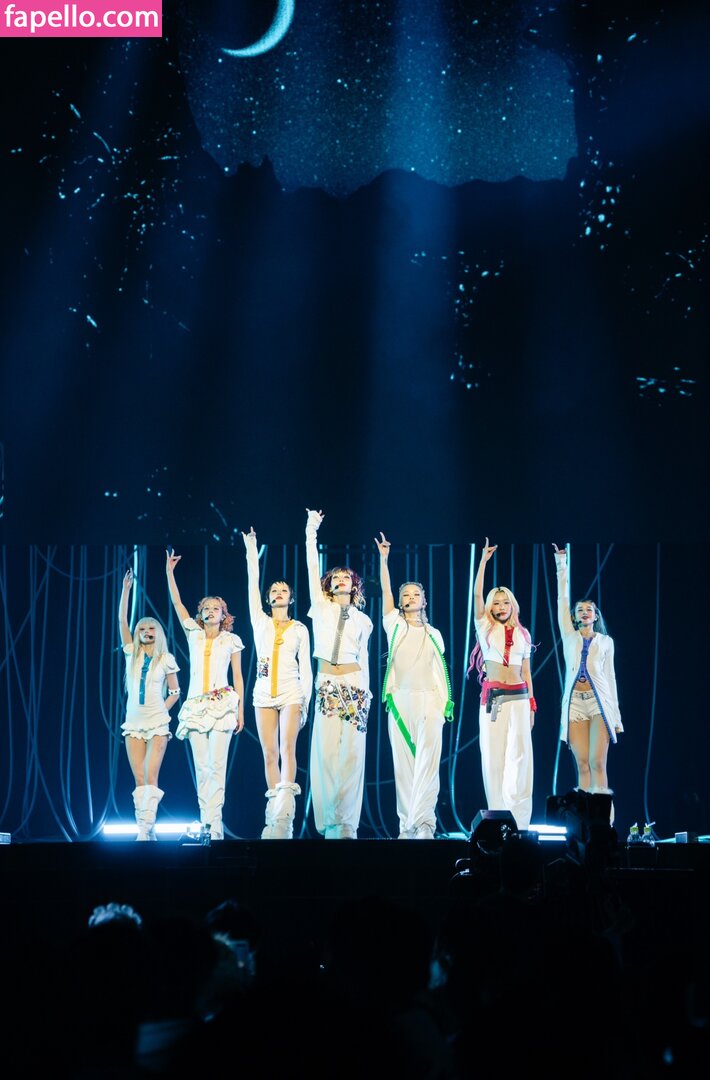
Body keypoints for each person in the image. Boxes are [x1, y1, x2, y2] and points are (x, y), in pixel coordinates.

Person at [374, 532, 454, 840]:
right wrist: (384, 560)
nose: (409, 598)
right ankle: (406, 825)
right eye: (405, 595)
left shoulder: (434, 633)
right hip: (400, 701)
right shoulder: (393, 625)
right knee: (404, 765)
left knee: (427, 764)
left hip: (430, 701)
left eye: (415, 594)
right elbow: (385, 591)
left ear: (424, 600)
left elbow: (439, 672)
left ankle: (425, 823)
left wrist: (443, 703)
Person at [166, 549, 245, 840]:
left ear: (224, 615)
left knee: (216, 765)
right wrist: (169, 572)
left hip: (223, 704)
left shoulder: (231, 639)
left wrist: (240, 712)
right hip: (195, 707)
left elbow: (238, 677)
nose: (211, 611)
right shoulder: (194, 634)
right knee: (202, 766)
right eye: (206, 608)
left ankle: (216, 825)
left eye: (216, 608)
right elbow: (177, 603)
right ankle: (206, 825)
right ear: (201, 614)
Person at [305, 508, 373, 839]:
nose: (341, 580)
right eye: (335, 578)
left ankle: (346, 821)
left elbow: (365, 659)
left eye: (346, 577)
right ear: (329, 586)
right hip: (328, 684)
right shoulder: (321, 608)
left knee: (351, 754)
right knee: (327, 751)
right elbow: (310, 565)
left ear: (354, 585)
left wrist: (367, 694)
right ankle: (328, 819)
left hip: (355, 684)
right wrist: (311, 530)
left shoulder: (364, 620)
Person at [243, 527, 313, 839]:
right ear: (269, 598)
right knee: (269, 754)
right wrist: (251, 547)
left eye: (284, 590)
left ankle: (286, 817)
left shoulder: (300, 629)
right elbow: (251, 582)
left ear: (291, 598)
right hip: (262, 694)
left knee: (287, 748)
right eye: (274, 590)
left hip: (291, 692)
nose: (278, 592)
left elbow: (307, 669)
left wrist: (305, 702)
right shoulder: (260, 621)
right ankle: (274, 816)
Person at [467, 538, 537, 830]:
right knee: (494, 759)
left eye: (505, 601)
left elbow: (527, 671)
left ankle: (519, 822)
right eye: (496, 602)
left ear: (512, 604)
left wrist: (532, 704)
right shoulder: (485, 626)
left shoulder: (523, 633)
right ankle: (497, 818)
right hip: (494, 699)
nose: (501, 606)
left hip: (519, 698)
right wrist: (483, 562)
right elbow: (477, 595)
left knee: (519, 759)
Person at [552, 544, 622, 801]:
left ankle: (603, 816)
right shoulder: (569, 637)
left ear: (595, 616)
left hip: (598, 702)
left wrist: (616, 716)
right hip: (575, 705)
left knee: (597, 762)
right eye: (580, 610)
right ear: (574, 616)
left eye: (588, 610)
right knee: (582, 764)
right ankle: (584, 817)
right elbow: (562, 600)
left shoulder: (606, 642)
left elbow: (611, 678)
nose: (584, 612)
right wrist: (561, 563)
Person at [118, 568, 180, 840]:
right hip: (133, 723)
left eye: (151, 627)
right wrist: (126, 590)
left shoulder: (166, 658)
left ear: (159, 632)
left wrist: (161, 711)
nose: (146, 631)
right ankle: (146, 828)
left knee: (150, 774)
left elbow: (175, 692)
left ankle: (145, 830)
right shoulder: (131, 653)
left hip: (157, 723)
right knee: (139, 779)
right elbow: (122, 620)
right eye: (142, 628)